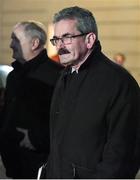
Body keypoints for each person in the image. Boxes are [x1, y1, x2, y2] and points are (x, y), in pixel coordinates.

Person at [39, 6, 140, 179]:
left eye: (67, 37)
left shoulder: (119, 83)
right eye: (56, 39)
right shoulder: (65, 76)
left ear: (89, 39)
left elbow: (122, 156)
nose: (59, 46)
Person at [0, 21, 63, 178]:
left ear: (34, 43)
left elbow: (66, 122)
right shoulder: (14, 75)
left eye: (15, 39)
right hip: (14, 165)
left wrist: (35, 139)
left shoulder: (58, 76)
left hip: (42, 167)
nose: (11, 45)